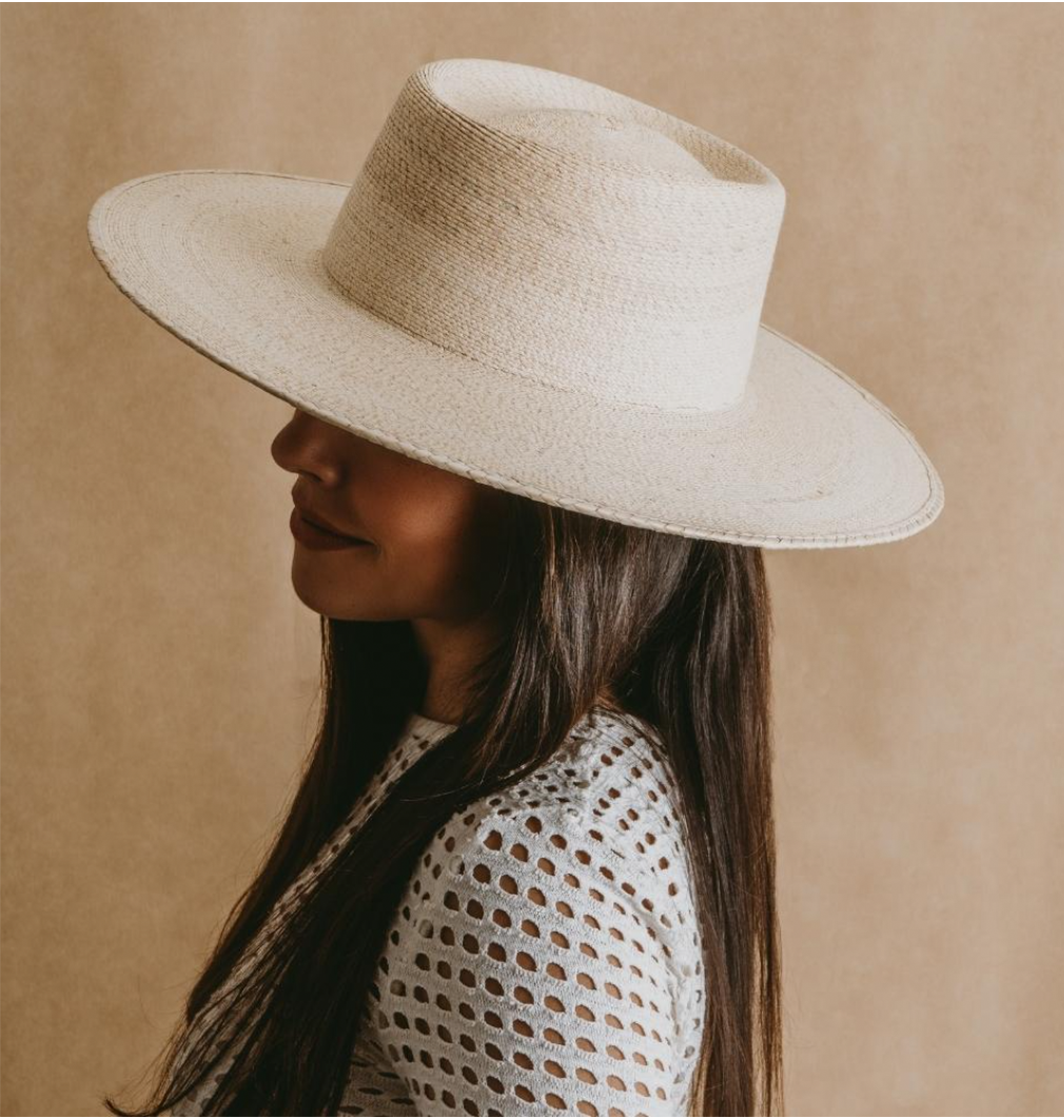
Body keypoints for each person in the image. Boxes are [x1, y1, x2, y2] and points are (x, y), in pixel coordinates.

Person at [89, 58, 943, 1117]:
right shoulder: (478, 766)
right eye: (322, 387)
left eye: (385, 413)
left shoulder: (530, 868)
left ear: (557, 496)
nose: (295, 444)